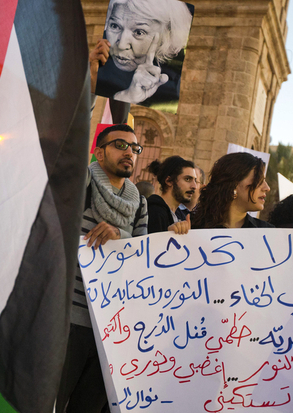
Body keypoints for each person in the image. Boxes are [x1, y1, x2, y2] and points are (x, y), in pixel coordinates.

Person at [57, 124, 148, 413]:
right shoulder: (82, 182)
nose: (129, 153)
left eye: (135, 148)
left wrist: (120, 236)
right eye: (120, 145)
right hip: (69, 317)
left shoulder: (140, 203)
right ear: (99, 152)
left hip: (111, 328)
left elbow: (142, 255)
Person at [190, 153, 293, 249]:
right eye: (259, 181)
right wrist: (176, 234)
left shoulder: (268, 234)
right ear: (234, 186)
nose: (267, 188)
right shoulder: (192, 226)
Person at [95, 0, 193, 105]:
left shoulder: (172, 86)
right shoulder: (94, 63)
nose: (121, 45)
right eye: (114, 26)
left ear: (166, 38)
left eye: (139, 32)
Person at [146, 155, 196, 233]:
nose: (194, 186)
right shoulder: (154, 212)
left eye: (195, 180)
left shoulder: (180, 215)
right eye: (187, 179)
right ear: (169, 181)